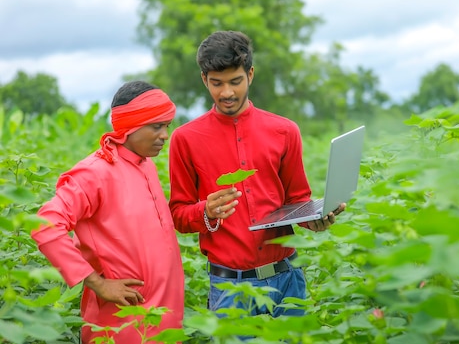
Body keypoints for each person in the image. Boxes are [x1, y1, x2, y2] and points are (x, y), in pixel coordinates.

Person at [168, 30, 345, 318]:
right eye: (217, 83)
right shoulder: (185, 139)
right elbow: (178, 214)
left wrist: (314, 219)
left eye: (235, 81)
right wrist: (206, 211)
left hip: (288, 280)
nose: (227, 93)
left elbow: (298, 199)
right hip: (230, 290)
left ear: (250, 74)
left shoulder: (285, 130)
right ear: (204, 79)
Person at [31, 81, 184, 343]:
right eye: (156, 126)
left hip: (165, 319)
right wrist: (98, 284)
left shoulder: (145, 164)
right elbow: (45, 224)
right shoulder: (96, 172)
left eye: (167, 125)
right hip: (121, 324)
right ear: (130, 127)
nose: (165, 135)